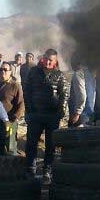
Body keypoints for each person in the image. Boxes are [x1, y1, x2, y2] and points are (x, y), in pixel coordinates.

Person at [24, 48, 69, 178]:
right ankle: (30, 168)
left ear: (55, 61)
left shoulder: (59, 75)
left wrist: (61, 111)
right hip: (35, 114)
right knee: (31, 143)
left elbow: (64, 95)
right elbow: (27, 91)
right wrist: (29, 110)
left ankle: (47, 169)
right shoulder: (33, 72)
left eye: (51, 60)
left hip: (52, 115)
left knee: (50, 145)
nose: (48, 62)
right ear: (43, 59)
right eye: (46, 59)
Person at [0, 61, 25, 155]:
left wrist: (15, 119)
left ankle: (12, 169)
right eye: (1, 70)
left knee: (11, 149)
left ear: (10, 72)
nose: (3, 72)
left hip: (10, 122)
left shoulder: (15, 86)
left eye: (5, 70)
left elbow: (21, 104)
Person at [69, 61, 96, 127]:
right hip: (90, 116)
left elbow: (82, 96)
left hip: (80, 116)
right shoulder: (91, 75)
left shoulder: (78, 74)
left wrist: (77, 113)